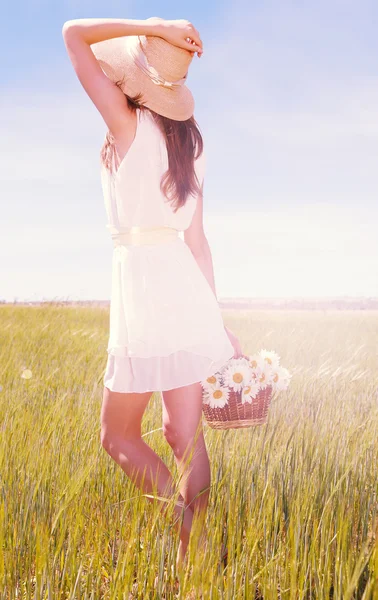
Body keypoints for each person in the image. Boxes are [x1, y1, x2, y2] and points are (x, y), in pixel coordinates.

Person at [62, 16, 242, 572]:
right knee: (183, 435)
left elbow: (72, 33)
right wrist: (216, 320)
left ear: (137, 82)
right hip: (185, 289)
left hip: (141, 289)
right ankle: (199, 553)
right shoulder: (194, 146)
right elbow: (198, 241)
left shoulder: (126, 125)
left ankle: (184, 527)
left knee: (117, 436)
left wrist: (151, 24)